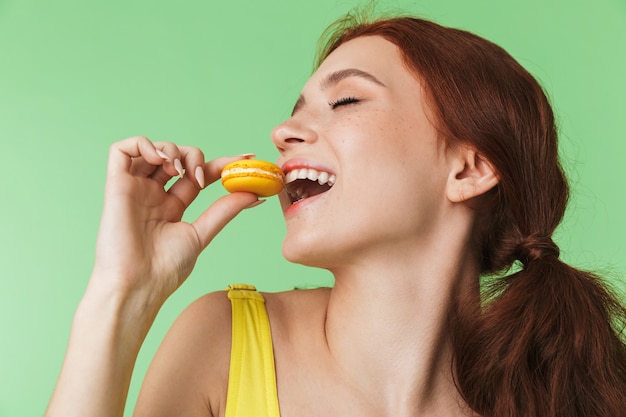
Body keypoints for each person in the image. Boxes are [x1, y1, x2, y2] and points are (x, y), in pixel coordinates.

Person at [45, 12, 626, 417]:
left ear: (468, 169)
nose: (282, 132)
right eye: (294, 112)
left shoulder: (553, 395)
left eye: (345, 100)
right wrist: (122, 295)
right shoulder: (224, 341)